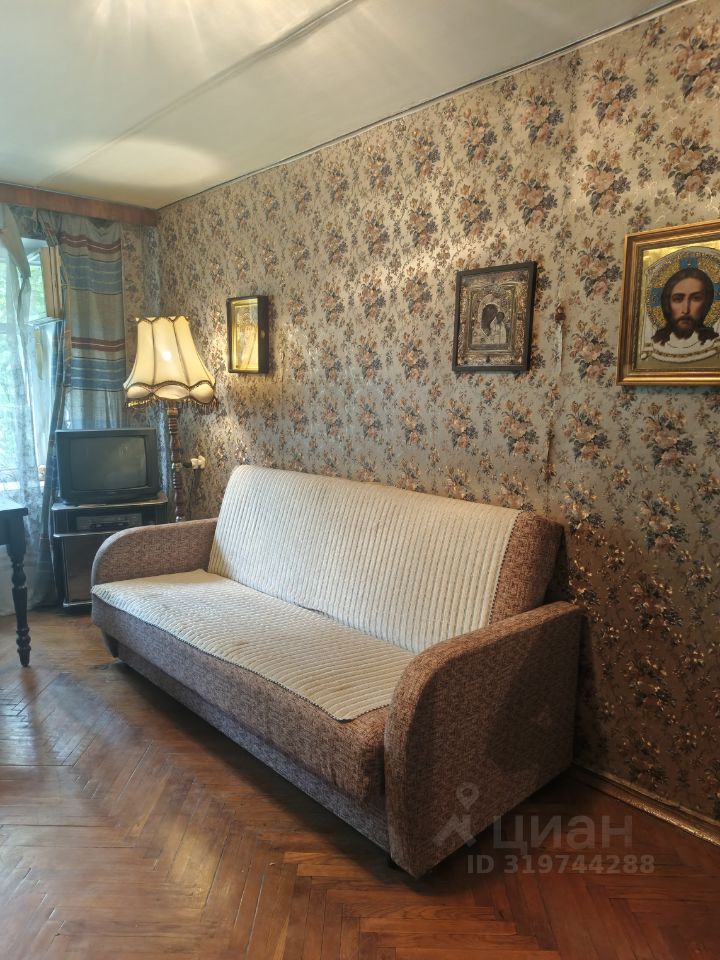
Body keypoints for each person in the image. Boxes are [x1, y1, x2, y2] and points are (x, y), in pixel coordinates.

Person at [653, 267, 717, 346]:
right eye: (678, 299)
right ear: (667, 304)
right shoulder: (656, 343)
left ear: (706, 303)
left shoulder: (714, 342)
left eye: (696, 298)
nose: (686, 310)